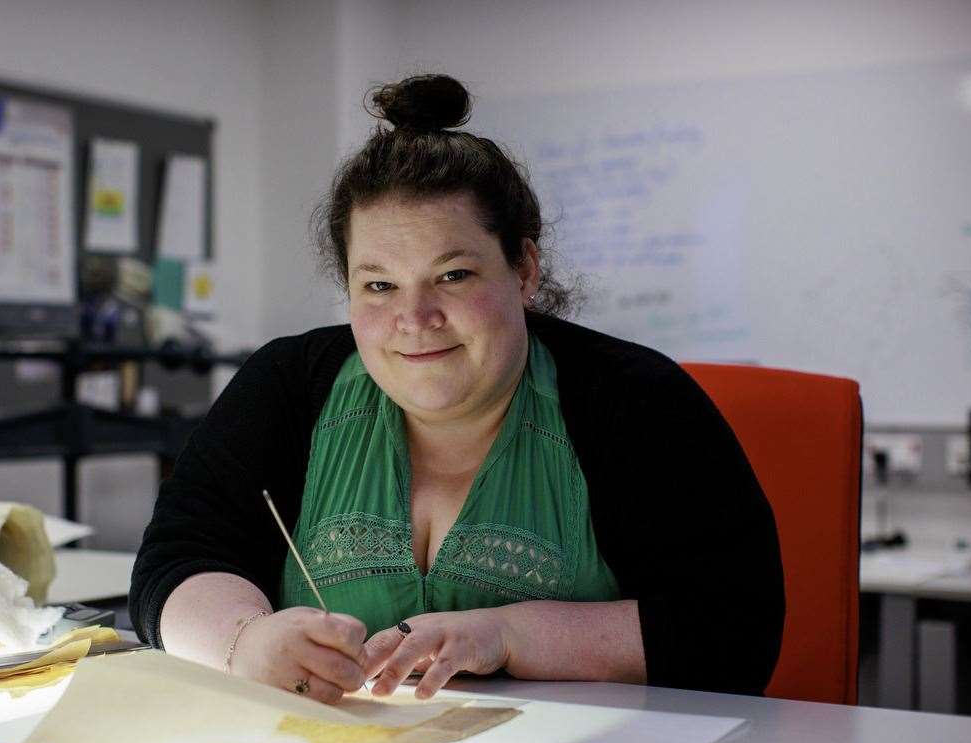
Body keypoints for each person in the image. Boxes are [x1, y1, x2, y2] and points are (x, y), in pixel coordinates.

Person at [128, 74, 784, 704]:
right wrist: (243, 644)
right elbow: (173, 565)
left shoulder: (637, 404)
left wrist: (511, 634)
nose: (414, 319)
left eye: (453, 275)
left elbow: (734, 631)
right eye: (379, 285)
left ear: (523, 270)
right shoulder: (286, 386)